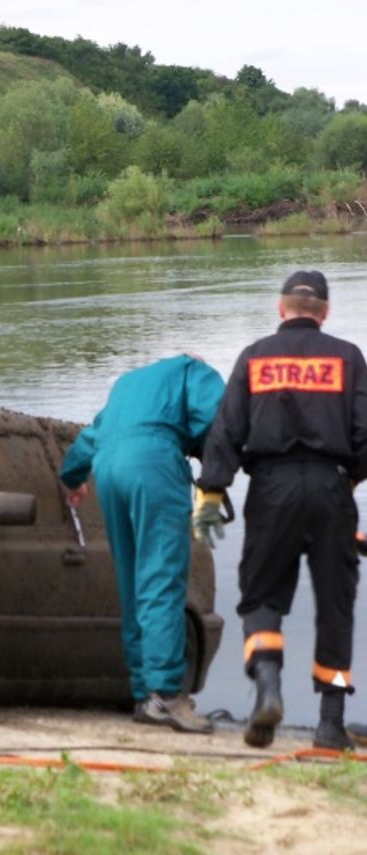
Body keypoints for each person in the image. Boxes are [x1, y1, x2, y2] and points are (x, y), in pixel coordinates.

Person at [196, 270, 367, 751]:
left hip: (271, 489)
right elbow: (366, 434)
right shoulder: (348, 357)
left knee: (261, 596)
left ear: (281, 308)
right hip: (332, 486)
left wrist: (212, 490)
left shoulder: (255, 356)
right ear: (324, 312)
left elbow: (227, 429)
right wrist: (348, 479)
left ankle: (268, 687)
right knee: (335, 604)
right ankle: (330, 726)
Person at [60, 354, 225, 733]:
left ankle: (143, 693)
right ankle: (166, 694)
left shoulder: (127, 385)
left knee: (133, 581)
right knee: (162, 579)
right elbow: (218, 421)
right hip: (154, 464)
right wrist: (215, 471)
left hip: (108, 469)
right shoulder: (194, 370)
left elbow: (91, 436)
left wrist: (73, 478)